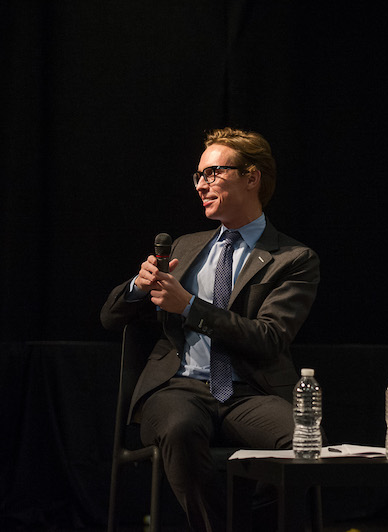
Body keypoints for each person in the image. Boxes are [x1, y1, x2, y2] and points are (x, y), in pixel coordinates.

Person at [101, 127, 320, 531]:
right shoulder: (185, 247)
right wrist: (138, 285)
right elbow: (111, 318)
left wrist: (189, 307)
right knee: (181, 428)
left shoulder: (292, 258)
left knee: (304, 441)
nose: (202, 185)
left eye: (213, 173)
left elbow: (269, 339)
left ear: (251, 178)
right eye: (198, 176)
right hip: (178, 388)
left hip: (248, 392)